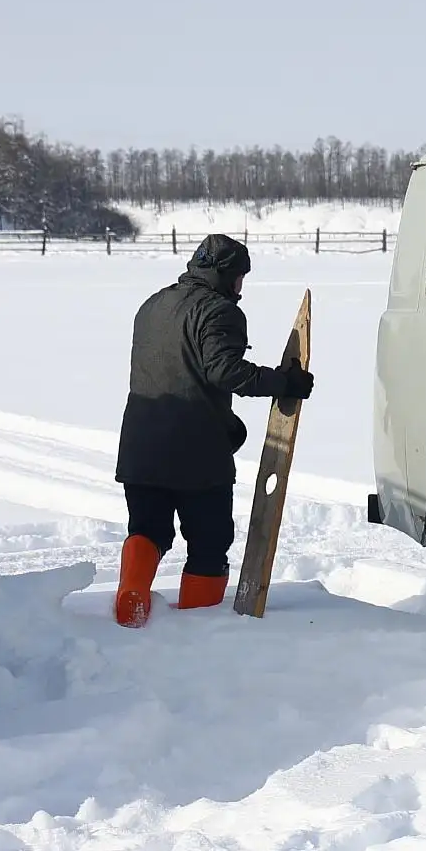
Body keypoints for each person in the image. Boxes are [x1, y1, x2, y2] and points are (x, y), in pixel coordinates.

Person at [112, 234, 314, 626]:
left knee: (147, 529)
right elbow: (225, 371)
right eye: (239, 277)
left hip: (140, 447)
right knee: (209, 542)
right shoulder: (220, 311)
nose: (240, 287)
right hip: (196, 454)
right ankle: (198, 624)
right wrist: (284, 383)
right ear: (224, 275)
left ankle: (131, 595)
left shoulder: (152, 305)